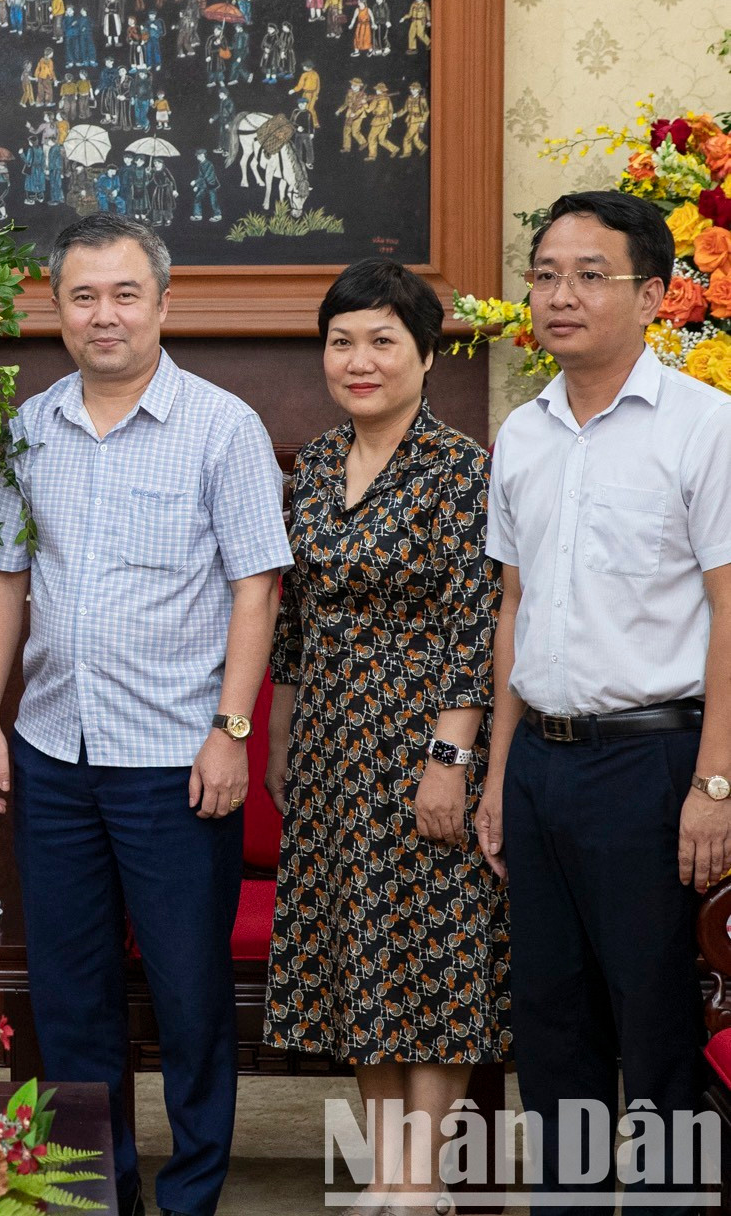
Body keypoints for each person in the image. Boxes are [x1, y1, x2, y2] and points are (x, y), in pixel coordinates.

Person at [0, 216, 290, 1216]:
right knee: (70, 995)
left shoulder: (221, 426)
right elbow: (2, 577)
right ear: (56, 308)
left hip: (176, 761)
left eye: (124, 295)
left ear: (161, 303)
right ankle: (91, 1194)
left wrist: (231, 731)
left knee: (192, 996)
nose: (103, 316)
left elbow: (257, 587)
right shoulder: (32, 427)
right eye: (82, 297)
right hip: (53, 750)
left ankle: (190, 1195)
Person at [478, 191, 731, 1214]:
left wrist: (716, 781)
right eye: (544, 275)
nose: (560, 295)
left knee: (658, 1021)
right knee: (549, 1021)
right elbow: (511, 610)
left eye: (591, 275)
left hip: (656, 764)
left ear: (657, 294)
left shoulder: (707, 428)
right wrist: (498, 776)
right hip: (540, 765)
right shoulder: (524, 435)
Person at [264, 260, 507, 1213]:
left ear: (427, 354)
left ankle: (422, 1181)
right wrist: (281, 731)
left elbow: (477, 620)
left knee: (435, 948)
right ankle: (385, 1176)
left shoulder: (460, 469)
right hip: (329, 741)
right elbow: (296, 613)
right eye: (342, 340)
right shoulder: (318, 464)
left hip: (424, 742)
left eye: (382, 341)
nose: (359, 360)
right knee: (355, 952)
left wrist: (450, 756)